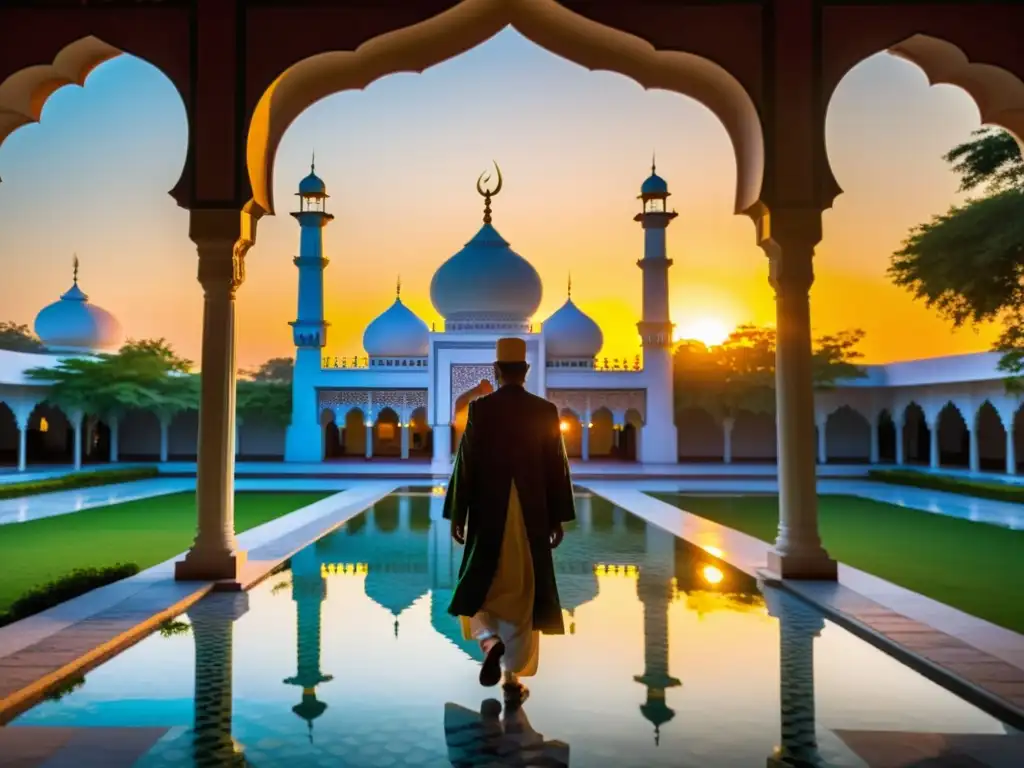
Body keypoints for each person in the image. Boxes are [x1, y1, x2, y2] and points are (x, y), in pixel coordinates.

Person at [442, 336, 577, 704]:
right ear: (526, 372)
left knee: (480, 584)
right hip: (530, 516)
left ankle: (489, 641)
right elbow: (556, 469)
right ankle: (512, 680)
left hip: (489, 515)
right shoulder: (545, 411)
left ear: (496, 372)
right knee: (522, 594)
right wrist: (557, 518)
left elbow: (465, 464)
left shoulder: (481, 409)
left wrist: (458, 512)